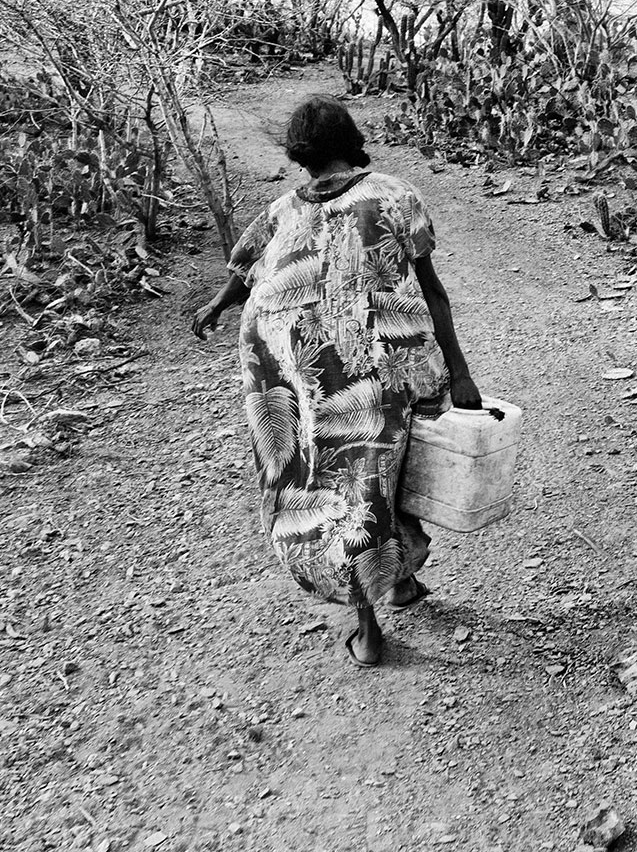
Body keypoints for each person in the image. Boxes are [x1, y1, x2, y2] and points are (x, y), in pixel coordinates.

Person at [192, 95, 481, 668]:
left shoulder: (281, 209)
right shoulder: (395, 195)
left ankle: (389, 590)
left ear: (299, 151)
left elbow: (251, 270)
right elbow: (432, 289)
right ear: (350, 137)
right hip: (378, 362)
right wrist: (460, 369)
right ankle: (372, 622)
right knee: (376, 474)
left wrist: (219, 305)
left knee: (334, 482)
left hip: (295, 369)